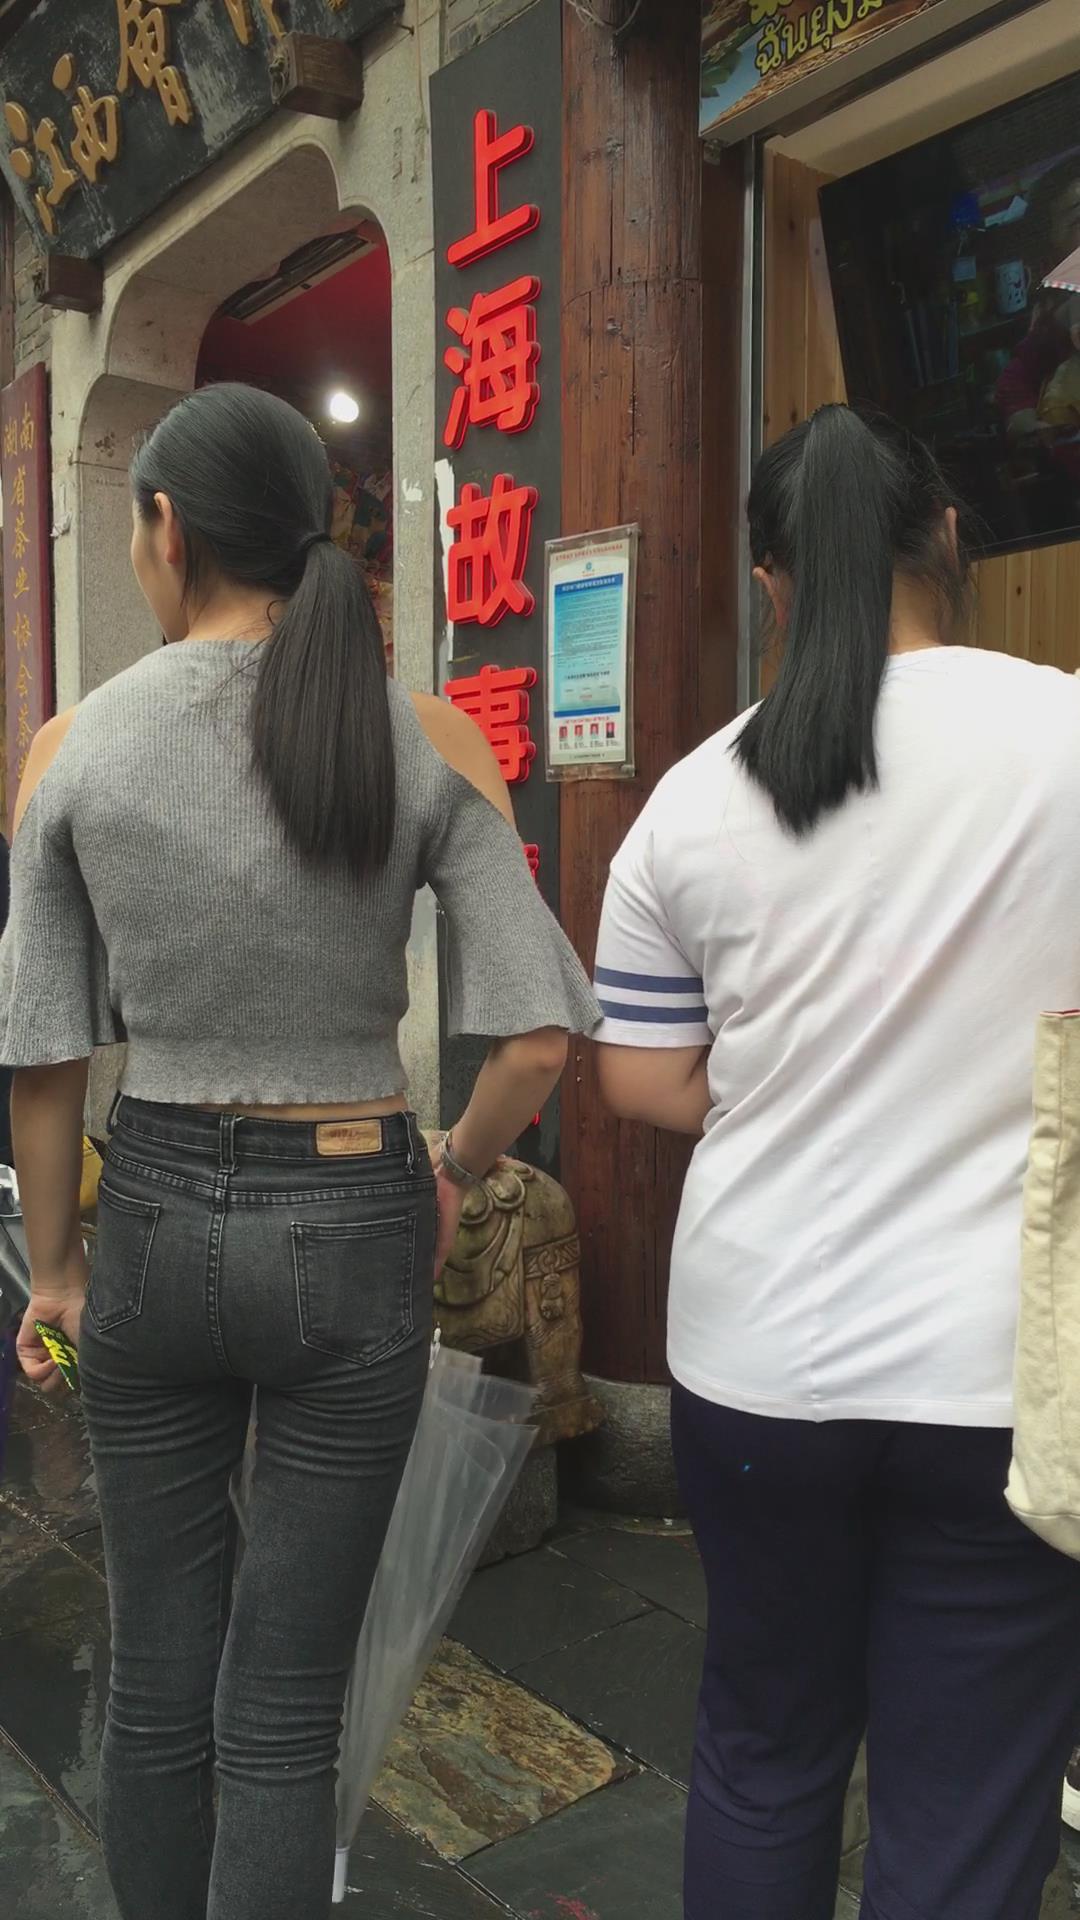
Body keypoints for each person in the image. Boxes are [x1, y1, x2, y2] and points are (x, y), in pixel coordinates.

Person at [0, 382, 599, 1920]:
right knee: (282, 1706)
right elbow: (536, 1039)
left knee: (157, 1676)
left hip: (151, 1216)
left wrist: (56, 1271)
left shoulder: (70, 748)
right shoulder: (424, 737)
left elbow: (44, 1050)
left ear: (166, 529)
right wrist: (452, 1170)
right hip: (355, 1217)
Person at [592, 405, 1080, 1920]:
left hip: (756, 1366)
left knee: (762, 1748)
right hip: (1004, 1378)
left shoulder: (689, 797)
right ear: (950, 538)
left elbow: (641, 1076)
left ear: (772, 580)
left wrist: (803, 1083)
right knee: (970, 1791)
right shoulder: (1067, 733)